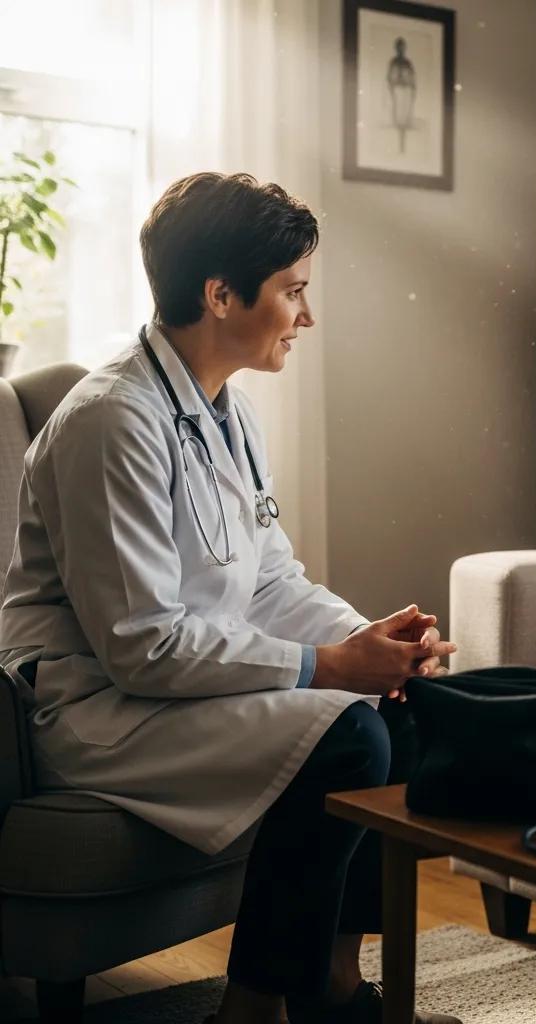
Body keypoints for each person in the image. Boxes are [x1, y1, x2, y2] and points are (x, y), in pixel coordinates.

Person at [0, 172, 461, 1024]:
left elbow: (270, 580)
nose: (306, 316)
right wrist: (329, 666)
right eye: (293, 290)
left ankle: (335, 987)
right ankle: (249, 1011)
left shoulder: (229, 415)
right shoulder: (110, 420)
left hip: (186, 688)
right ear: (219, 295)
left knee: (394, 708)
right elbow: (141, 645)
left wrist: (372, 644)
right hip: (102, 707)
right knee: (351, 736)